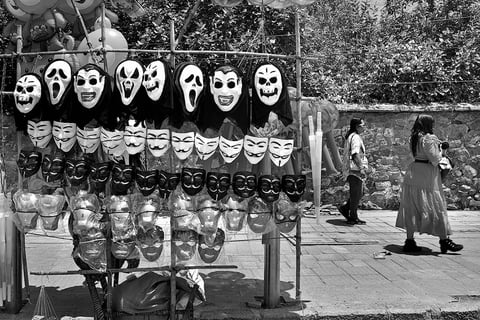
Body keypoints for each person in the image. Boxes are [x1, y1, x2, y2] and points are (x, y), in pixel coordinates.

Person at [396, 114, 463, 253]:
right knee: (436, 206)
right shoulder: (429, 138)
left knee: (412, 207)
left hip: (414, 172)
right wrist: (443, 151)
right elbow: (435, 159)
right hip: (427, 175)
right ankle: (444, 240)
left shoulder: (414, 137)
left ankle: (409, 241)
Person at [338, 117, 368, 225]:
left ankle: (346, 209)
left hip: (351, 168)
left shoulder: (351, 136)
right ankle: (353, 216)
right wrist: (361, 168)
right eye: (362, 125)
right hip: (354, 169)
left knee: (357, 193)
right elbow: (355, 154)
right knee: (356, 193)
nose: (364, 127)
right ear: (357, 126)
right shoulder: (355, 137)